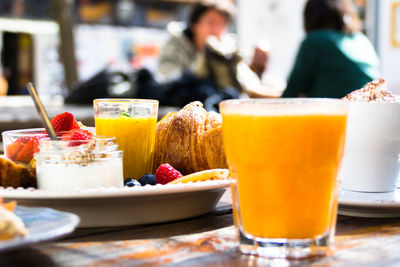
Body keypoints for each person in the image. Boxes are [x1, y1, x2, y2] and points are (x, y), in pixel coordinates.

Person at [157, 0, 279, 100]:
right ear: (195, 25)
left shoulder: (228, 50)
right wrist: (203, 60)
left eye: (222, 25)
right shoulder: (175, 45)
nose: (216, 30)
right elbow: (168, 78)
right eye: (211, 22)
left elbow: (247, 82)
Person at [282, 0, 380, 98]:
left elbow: (292, 92)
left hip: (338, 109)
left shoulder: (315, 41)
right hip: (371, 107)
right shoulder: (361, 40)